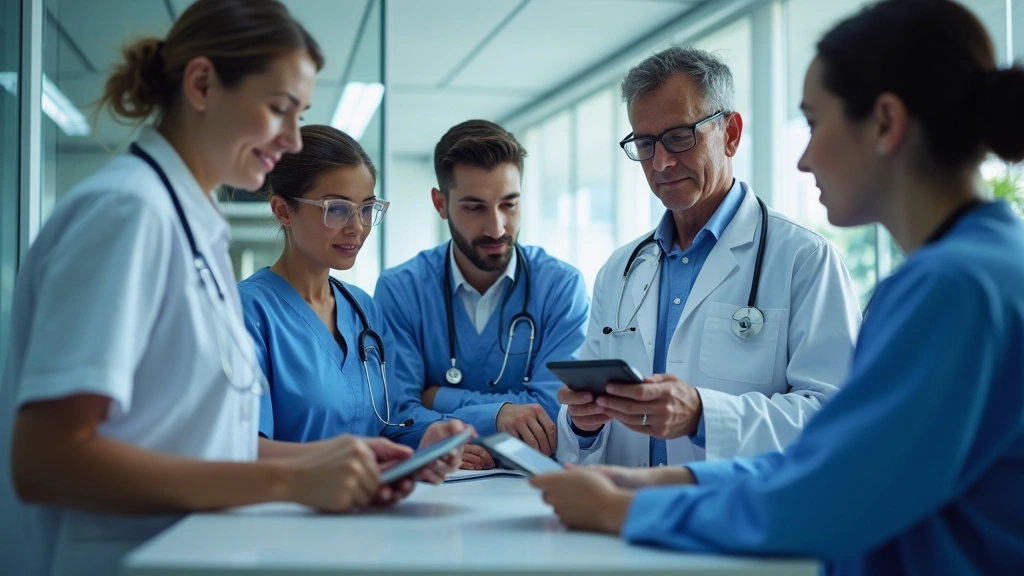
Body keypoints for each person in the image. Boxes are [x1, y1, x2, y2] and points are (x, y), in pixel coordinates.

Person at [532, 1, 1024, 573]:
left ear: (886, 123)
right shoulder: (976, 269)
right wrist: (671, 480)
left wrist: (627, 510)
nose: (804, 157)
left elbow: (835, 493)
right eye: (645, 145)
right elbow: (838, 461)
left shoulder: (951, 289)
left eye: (814, 123)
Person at [0, 2, 447, 575]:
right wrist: (291, 478)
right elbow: (45, 460)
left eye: (299, 114)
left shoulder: (192, 227)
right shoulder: (128, 213)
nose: (290, 140)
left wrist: (350, 459)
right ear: (203, 84)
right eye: (279, 109)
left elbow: (198, 438)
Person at [555, 45, 861, 468]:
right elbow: (583, 431)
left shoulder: (804, 258)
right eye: (645, 143)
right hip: (626, 513)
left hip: (740, 519)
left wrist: (703, 416)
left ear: (731, 134)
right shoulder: (620, 270)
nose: (661, 162)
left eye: (679, 136)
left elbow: (838, 417)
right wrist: (581, 425)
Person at [238, 123, 470, 455]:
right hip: (287, 504)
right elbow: (242, 448)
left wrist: (428, 439)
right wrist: (344, 461)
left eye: (366, 209)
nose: (357, 228)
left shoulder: (363, 308)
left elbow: (388, 424)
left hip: (368, 502)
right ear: (283, 210)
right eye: (337, 209)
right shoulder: (247, 311)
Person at [374, 120, 589, 466]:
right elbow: (398, 417)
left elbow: (556, 411)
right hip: (437, 492)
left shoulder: (561, 287)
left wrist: (438, 398)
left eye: (509, 205)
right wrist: (499, 416)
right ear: (440, 204)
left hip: (538, 492)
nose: (496, 227)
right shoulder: (401, 290)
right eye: (474, 207)